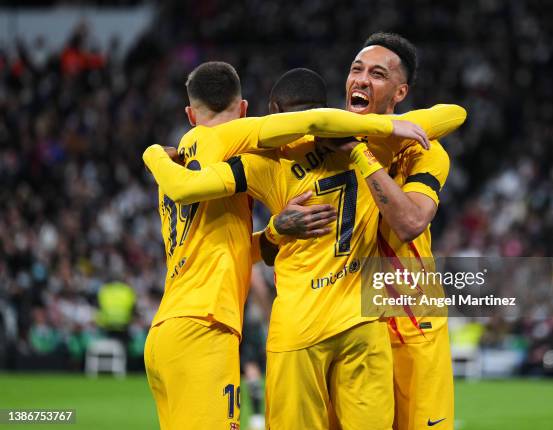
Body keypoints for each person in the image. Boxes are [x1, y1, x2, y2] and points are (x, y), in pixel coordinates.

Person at [144, 66, 466, 429]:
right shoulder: (372, 143)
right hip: (363, 323)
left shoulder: (263, 161)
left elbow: (191, 187)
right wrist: (378, 128)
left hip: (296, 328)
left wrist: (153, 155)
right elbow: (453, 114)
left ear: (272, 110)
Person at [336, 32, 456, 430]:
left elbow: (409, 223)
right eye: (356, 70)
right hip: (344, 325)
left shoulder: (423, 150)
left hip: (410, 322)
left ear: (399, 91)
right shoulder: (322, 147)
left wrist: (362, 152)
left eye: (377, 74)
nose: (361, 80)